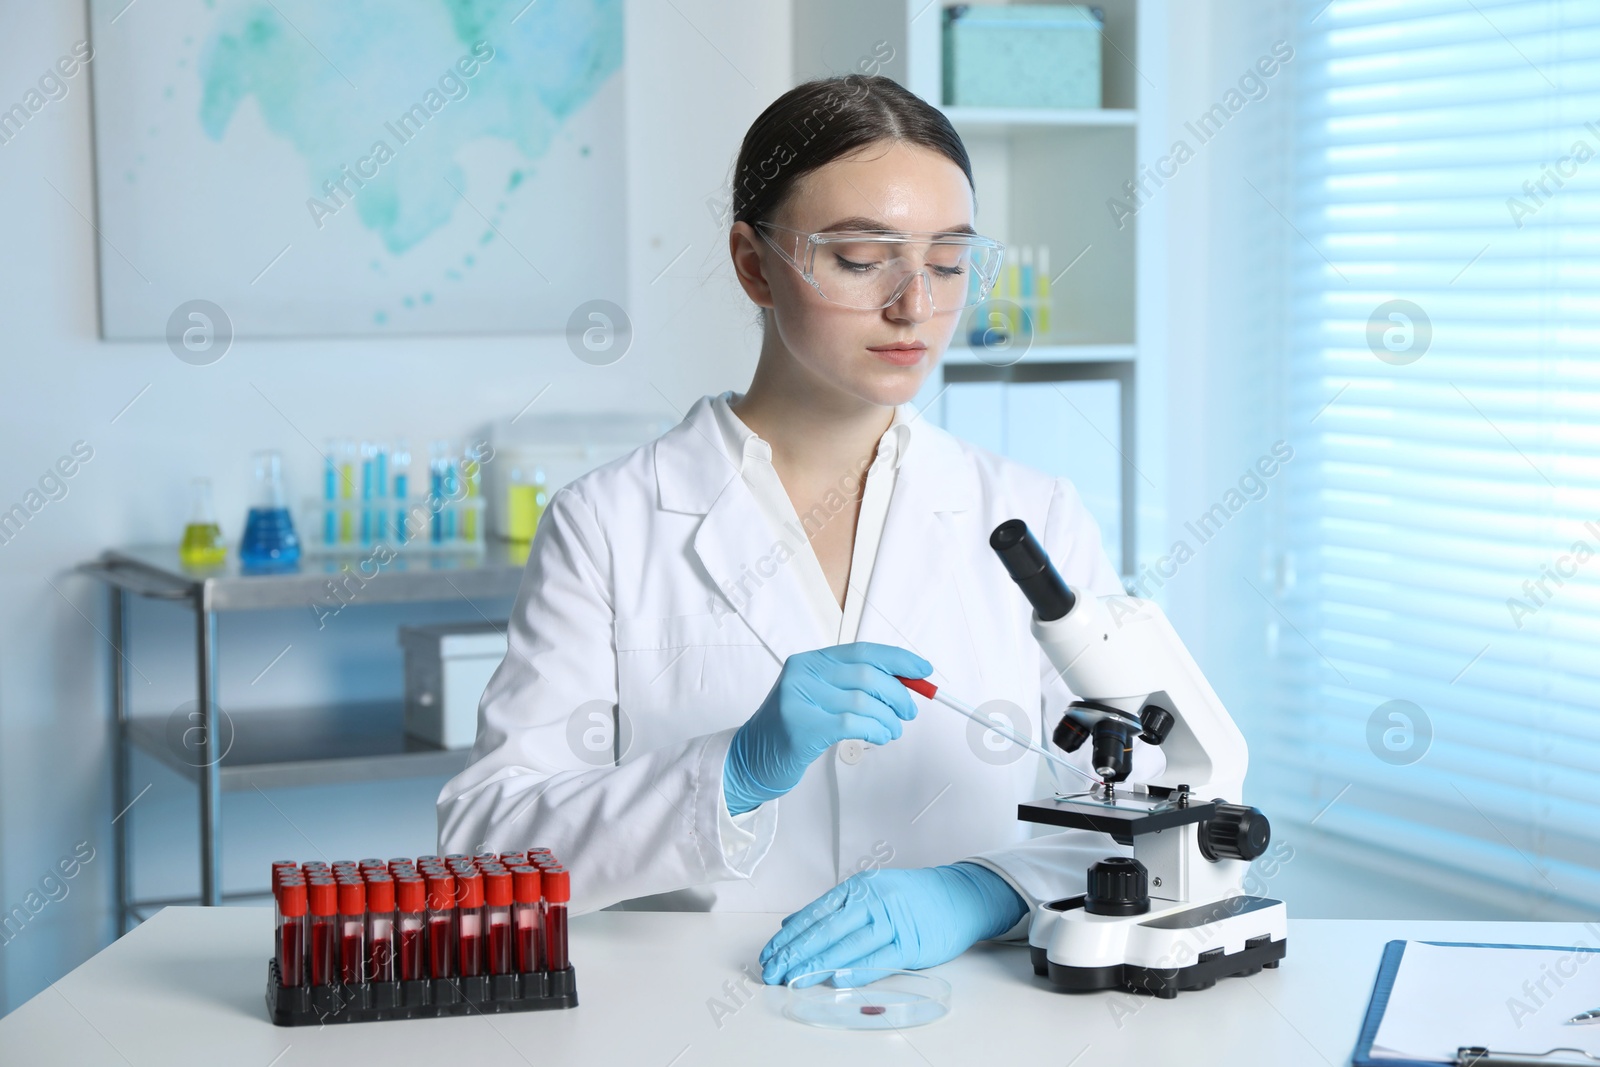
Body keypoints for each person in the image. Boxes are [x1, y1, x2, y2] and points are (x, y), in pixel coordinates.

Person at [437, 74, 1162, 986]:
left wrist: (986, 888)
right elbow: (484, 848)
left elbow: (1153, 800)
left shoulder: (1033, 514)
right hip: (695, 1017)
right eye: (862, 258)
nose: (915, 306)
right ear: (752, 262)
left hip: (978, 1016)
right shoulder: (610, 523)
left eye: (947, 263)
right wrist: (729, 772)